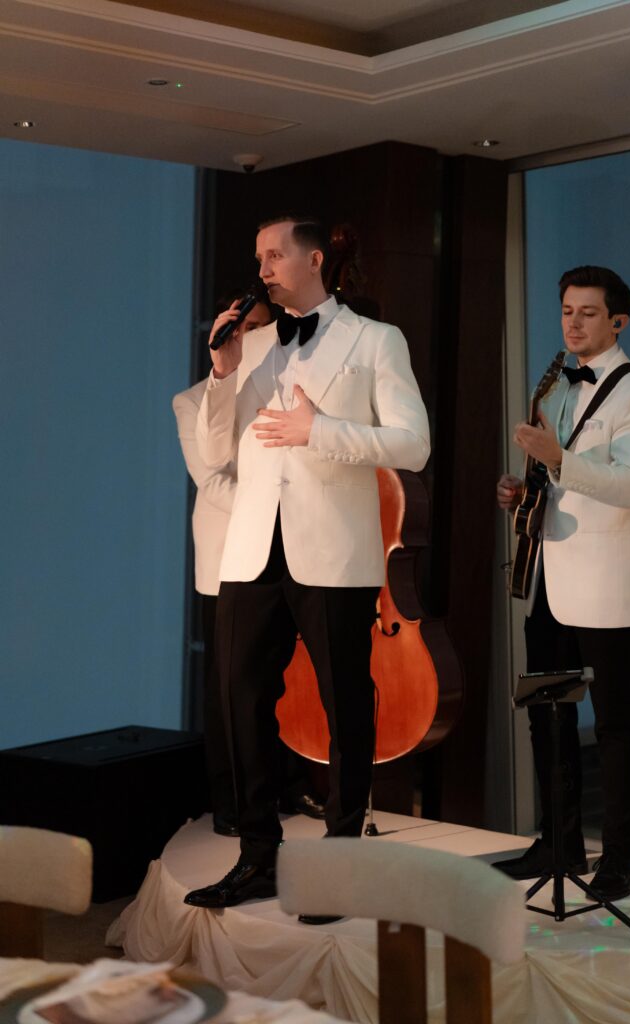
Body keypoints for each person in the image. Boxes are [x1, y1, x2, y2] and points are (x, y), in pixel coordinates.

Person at [184, 215, 430, 911]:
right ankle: (257, 855)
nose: (261, 269)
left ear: (314, 259)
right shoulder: (254, 345)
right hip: (251, 549)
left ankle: (339, 866)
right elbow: (215, 449)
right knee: (240, 700)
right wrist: (222, 373)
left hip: (333, 552)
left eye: (274, 255)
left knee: (344, 705)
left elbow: (413, 444)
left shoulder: (375, 340)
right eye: (258, 256)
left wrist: (319, 430)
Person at [494, 265, 630, 901]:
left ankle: (619, 858)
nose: (573, 322)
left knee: (616, 724)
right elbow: (553, 480)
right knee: (548, 712)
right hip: (550, 578)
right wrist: (522, 489)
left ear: (618, 321)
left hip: (609, 585)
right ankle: (559, 841)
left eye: (588, 312)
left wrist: (559, 459)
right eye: (568, 310)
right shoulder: (552, 386)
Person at [172, 289, 325, 838]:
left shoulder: (279, 387)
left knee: (281, 676)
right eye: (247, 328)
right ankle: (230, 802)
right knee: (229, 687)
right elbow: (212, 481)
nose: (256, 337)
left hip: (285, 552)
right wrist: (275, 507)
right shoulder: (191, 400)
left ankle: (286, 783)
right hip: (228, 559)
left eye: (263, 327)